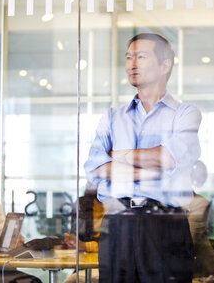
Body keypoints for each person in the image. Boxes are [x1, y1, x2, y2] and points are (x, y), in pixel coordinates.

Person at [84, 33, 202, 282]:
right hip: (117, 225)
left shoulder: (185, 114)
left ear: (165, 65)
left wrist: (119, 156)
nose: (131, 64)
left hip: (165, 224)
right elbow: (95, 168)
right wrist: (149, 167)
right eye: (128, 57)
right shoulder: (112, 117)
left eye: (141, 56)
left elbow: (167, 158)